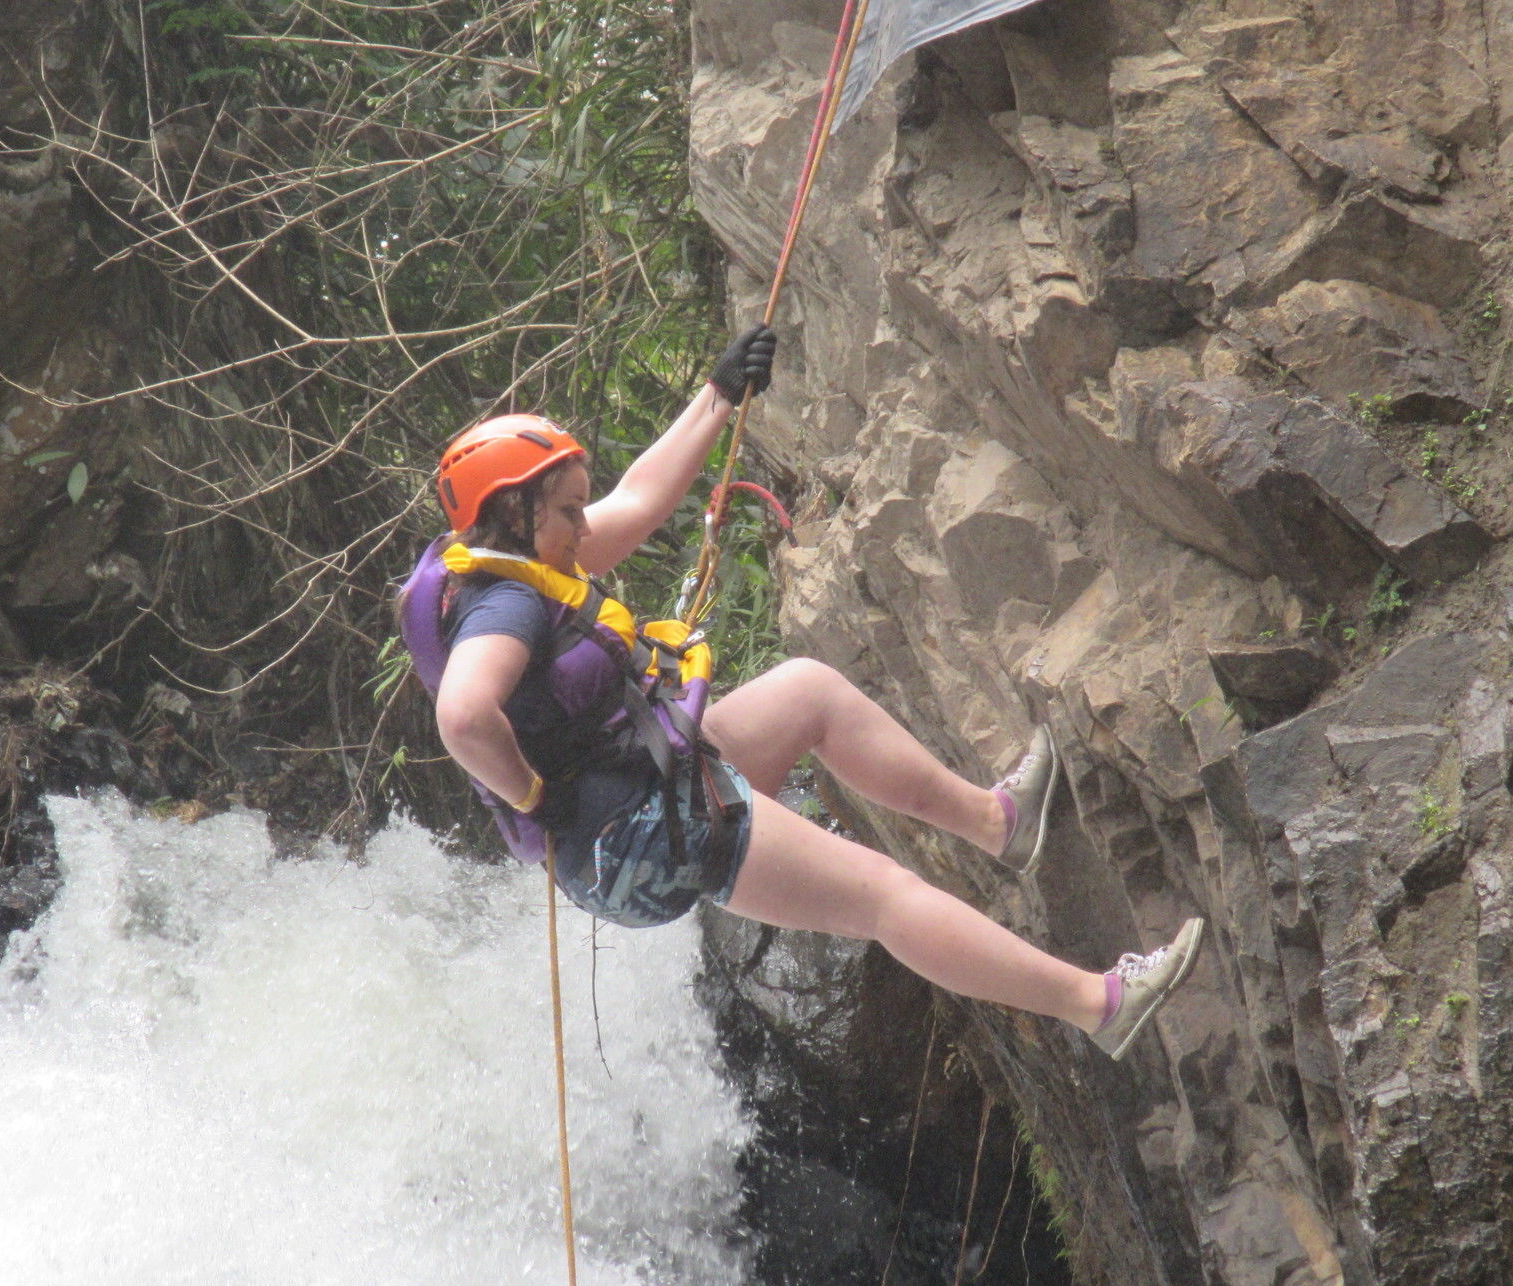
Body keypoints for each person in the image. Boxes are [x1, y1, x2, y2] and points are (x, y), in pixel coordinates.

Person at [398, 326, 1203, 1060]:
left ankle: (1000, 825)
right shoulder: (503, 604)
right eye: (570, 509)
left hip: (639, 782)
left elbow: (638, 505)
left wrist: (716, 397)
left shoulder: (518, 556)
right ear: (513, 507)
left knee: (808, 694)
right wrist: (533, 796)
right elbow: (465, 716)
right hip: (633, 838)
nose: (585, 524)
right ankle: (1099, 1004)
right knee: (882, 896)